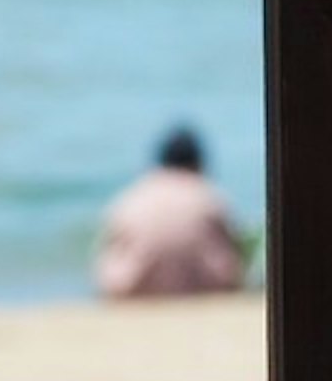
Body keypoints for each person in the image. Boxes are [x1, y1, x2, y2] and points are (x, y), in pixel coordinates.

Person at [95, 125, 250, 299]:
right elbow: (236, 256)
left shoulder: (130, 197)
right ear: (198, 162)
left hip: (133, 292)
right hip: (201, 291)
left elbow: (107, 253)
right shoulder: (209, 197)